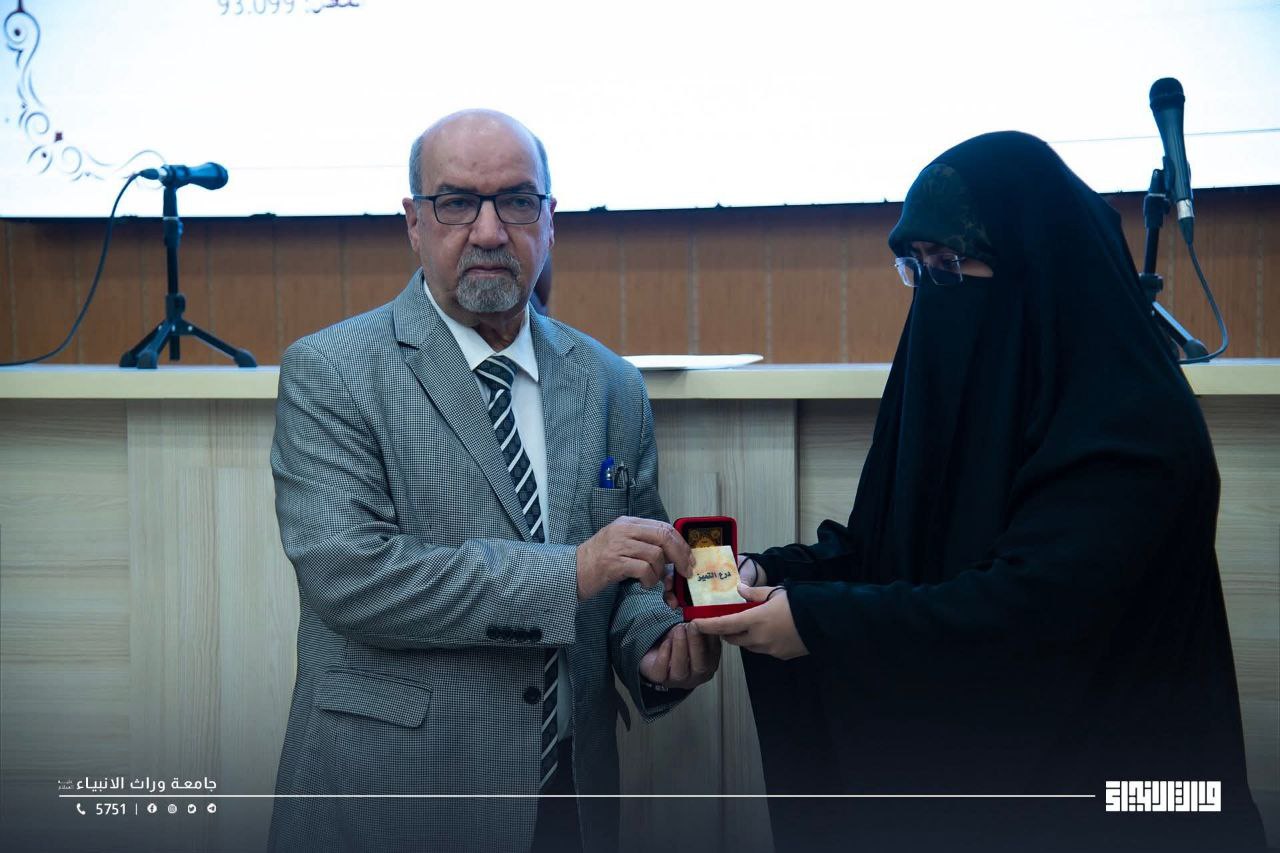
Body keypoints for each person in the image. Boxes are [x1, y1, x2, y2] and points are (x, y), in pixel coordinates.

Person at [691, 131, 1265, 852]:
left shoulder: (1135, 427)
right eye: (917, 268)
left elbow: (1030, 619)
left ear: (1038, 267)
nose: (935, 291)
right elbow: (889, 554)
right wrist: (771, 575)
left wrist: (817, 622)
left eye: (952, 265)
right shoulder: (965, 397)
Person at [268, 109, 720, 853]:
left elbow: (633, 572)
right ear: (414, 223)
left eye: (515, 201)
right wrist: (572, 570)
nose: (488, 231)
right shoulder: (333, 370)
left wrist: (656, 645)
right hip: (392, 797)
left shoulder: (610, 382)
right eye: (456, 203)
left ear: (550, 220)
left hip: (566, 797)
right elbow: (349, 577)